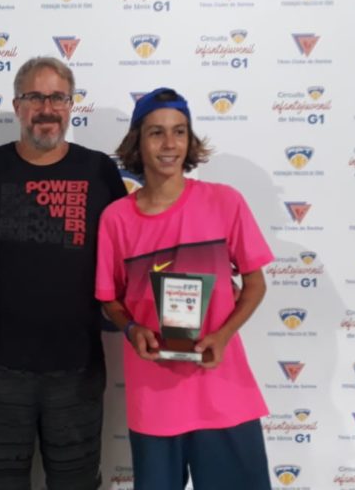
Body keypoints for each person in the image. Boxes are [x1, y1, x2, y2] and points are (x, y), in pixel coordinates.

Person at [0, 57, 127, 490]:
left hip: (77, 367)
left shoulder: (100, 171)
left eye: (57, 98)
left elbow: (130, 250)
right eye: (34, 97)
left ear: (71, 105)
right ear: (17, 105)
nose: (46, 109)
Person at [96, 87, 274, 490]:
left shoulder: (224, 202)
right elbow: (110, 299)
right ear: (137, 142)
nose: (169, 144)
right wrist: (131, 329)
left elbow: (255, 283)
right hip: (155, 401)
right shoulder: (116, 219)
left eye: (179, 131)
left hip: (224, 394)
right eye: (156, 133)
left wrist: (222, 335)